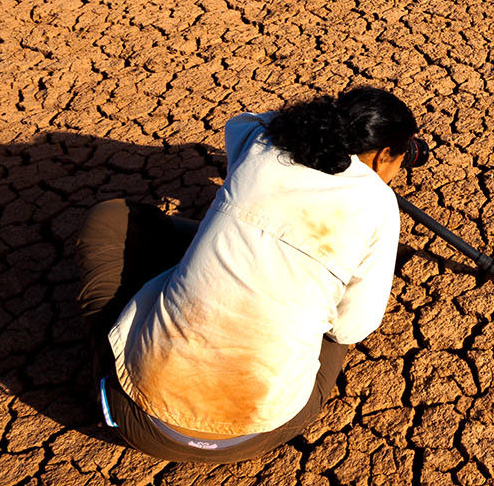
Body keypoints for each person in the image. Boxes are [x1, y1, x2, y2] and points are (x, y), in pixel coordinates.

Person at [73, 86, 421, 462]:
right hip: (254, 433)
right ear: (385, 154)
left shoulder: (266, 142)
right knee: (336, 320)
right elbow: (352, 329)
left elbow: (238, 125)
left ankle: (104, 361)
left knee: (110, 220)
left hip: (134, 414)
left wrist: (314, 122)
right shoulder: (379, 204)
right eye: (401, 160)